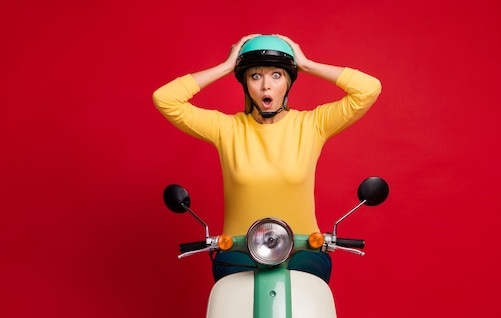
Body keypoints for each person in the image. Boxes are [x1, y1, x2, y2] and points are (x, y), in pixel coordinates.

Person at [153, 34, 381, 282]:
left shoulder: (312, 124)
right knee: (231, 309)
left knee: (308, 302)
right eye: (255, 76)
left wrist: (305, 64)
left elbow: (368, 89)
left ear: (288, 82)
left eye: (276, 75)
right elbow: (165, 99)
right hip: (239, 250)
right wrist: (226, 66)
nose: (265, 86)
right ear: (245, 83)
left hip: (303, 248)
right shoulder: (227, 129)